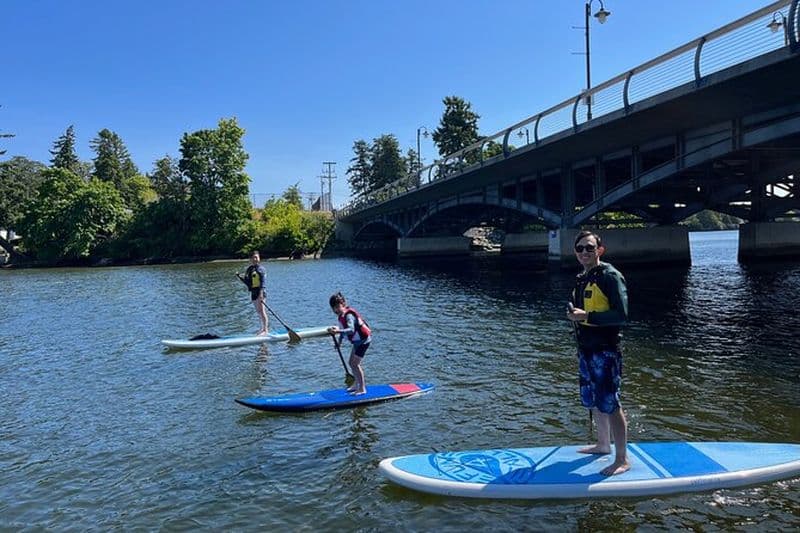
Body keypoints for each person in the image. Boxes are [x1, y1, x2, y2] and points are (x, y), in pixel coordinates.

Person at [566, 230, 630, 476]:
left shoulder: (610, 276)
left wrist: (587, 316)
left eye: (589, 248)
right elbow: (582, 312)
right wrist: (575, 316)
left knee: (610, 402)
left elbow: (622, 315)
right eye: (580, 248)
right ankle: (603, 444)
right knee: (593, 399)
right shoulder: (583, 277)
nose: (584, 252)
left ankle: (622, 459)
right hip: (586, 349)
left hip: (605, 351)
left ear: (599, 250)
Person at [327, 292, 372, 395]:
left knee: (355, 364)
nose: (336, 310)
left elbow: (351, 330)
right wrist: (339, 342)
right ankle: (356, 384)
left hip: (364, 341)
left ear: (343, 304)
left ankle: (362, 388)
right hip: (357, 342)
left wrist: (337, 331)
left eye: (338, 307)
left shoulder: (349, 316)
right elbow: (343, 330)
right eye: (334, 308)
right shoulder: (341, 316)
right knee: (351, 363)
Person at [237, 251, 269, 336]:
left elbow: (263, 283)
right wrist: (240, 277)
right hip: (253, 292)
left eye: (256, 257)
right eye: (253, 257)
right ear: (250, 259)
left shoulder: (261, 269)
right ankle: (261, 329)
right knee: (258, 312)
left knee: (262, 311)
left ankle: (266, 330)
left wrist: (261, 294)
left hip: (260, 292)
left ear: (259, 258)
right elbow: (248, 283)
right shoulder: (249, 269)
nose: (255, 259)